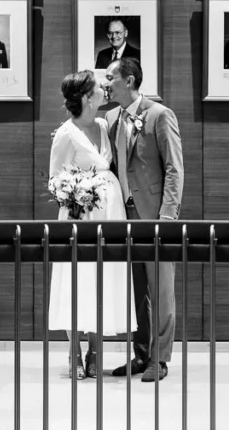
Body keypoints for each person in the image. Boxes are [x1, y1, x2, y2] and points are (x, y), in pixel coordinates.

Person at [47, 70, 137, 380]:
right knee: (78, 279)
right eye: (100, 86)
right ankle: (74, 350)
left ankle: (96, 350)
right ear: (87, 97)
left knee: (101, 279)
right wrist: (74, 195)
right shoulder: (65, 133)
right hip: (78, 216)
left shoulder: (103, 125)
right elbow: (54, 178)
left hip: (109, 213)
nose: (105, 88)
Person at [105, 58, 184, 383]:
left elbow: (174, 169)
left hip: (155, 216)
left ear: (130, 80)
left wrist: (167, 217)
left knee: (161, 291)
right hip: (125, 217)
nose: (105, 84)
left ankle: (160, 360)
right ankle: (141, 355)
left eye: (110, 78)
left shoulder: (159, 115)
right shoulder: (111, 117)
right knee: (138, 291)